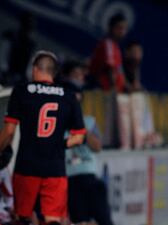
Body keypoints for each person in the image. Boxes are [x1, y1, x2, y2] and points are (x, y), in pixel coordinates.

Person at [0, 50, 86, 225]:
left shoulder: (22, 91)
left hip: (26, 166)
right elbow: (79, 137)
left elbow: (9, 131)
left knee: (22, 217)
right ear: (54, 73)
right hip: (55, 168)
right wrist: (58, 145)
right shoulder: (69, 96)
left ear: (35, 69)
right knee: (53, 219)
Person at [61, 60, 114, 225]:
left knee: (104, 220)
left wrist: (81, 129)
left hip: (90, 178)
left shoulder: (88, 121)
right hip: (69, 179)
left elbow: (97, 147)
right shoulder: (56, 125)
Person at [89, 13, 129, 91]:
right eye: (119, 28)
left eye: (124, 29)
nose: (122, 32)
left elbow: (118, 72)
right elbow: (110, 69)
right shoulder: (108, 44)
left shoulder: (116, 47)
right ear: (111, 28)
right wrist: (114, 89)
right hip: (105, 91)